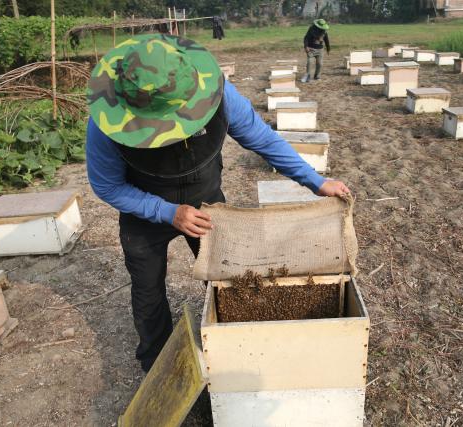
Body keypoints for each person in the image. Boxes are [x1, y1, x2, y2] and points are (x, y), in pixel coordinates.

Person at [85, 34, 350, 372]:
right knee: (147, 289)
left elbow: (262, 138)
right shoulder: (107, 124)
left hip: (206, 202)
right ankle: (160, 367)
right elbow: (107, 186)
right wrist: (166, 212)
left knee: (229, 278)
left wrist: (315, 180)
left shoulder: (220, 96)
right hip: (144, 210)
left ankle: (237, 346)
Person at [301, 19, 330, 83]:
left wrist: (328, 49)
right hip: (311, 49)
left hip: (320, 50)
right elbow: (306, 38)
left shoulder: (324, 31)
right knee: (310, 63)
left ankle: (317, 76)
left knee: (320, 64)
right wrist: (306, 46)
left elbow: (326, 40)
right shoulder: (311, 29)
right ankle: (308, 77)